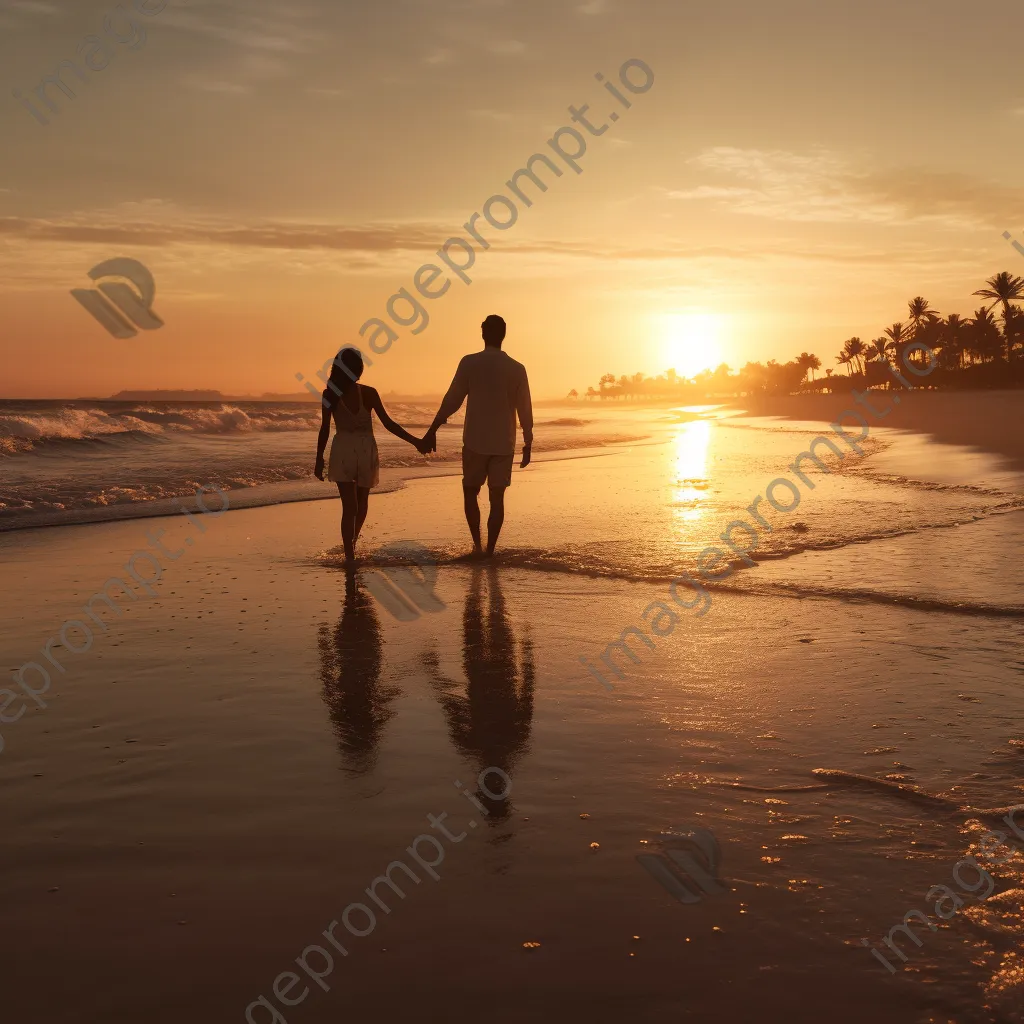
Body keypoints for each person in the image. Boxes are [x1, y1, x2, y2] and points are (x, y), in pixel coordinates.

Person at [423, 315, 533, 557]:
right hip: (504, 443)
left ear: (483, 333)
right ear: (504, 334)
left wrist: (433, 429)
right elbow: (525, 408)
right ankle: (490, 552)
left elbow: (452, 400)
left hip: (475, 441)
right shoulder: (517, 368)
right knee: (497, 497)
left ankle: (477, 546)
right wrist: (528, 441)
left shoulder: (469, 363)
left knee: (470, 491)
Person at [314, 347, 427, 565]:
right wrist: (416, 442)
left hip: (342, 450)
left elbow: (325, 429)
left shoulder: (329, 394)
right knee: (361, 503)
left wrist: (319, 459)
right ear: (358, 370)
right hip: (365, 449)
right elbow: (389, 424)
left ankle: (350, 553)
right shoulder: (368, 393)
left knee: (350, 506)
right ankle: (352, 547)